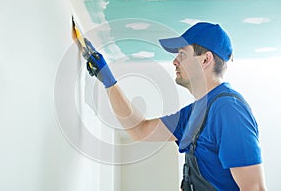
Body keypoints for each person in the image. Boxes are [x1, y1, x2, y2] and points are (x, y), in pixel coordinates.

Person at [82, 22, 267, 190]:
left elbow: (255, 188)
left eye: (182, 54)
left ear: (205, 60)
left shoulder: (228, 110)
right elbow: (139, 130)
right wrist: (107, 79)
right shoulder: (195, 112)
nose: (175, 61)